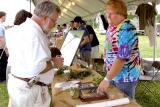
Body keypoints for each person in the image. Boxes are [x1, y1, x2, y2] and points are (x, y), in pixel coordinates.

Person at [6, 1, 63, 107]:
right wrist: (55, 63)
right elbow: (37, 67)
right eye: (54, 21)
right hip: (29, 91)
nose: (54, 25)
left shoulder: (22, 28)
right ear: (45, 18)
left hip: (21, 86)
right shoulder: (34, 33)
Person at [97, 0, 141, 99]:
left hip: (125, 77)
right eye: (107, 13)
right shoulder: (112, 27)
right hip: (113, 74)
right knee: (114, 100)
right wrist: (107, 62)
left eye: (110, 13)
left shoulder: (127, 29)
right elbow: (109, 48)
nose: (107, 16)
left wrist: (106, 79)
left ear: (120, 14)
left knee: (124, 103)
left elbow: (121, 58)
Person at [0, 11, 8, 82]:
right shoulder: (0, 26)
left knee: (3, 63)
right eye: (5, 16)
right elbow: (1, 39)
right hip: (1, 48)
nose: (6, 18)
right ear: (2, 16)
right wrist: (6, 49)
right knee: (2, 63)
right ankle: (2, 79)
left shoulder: (1, 25)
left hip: (1, 48)